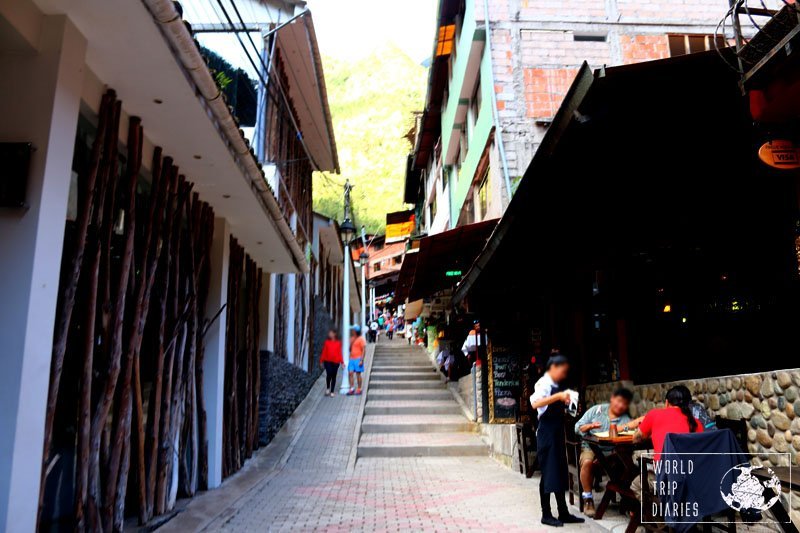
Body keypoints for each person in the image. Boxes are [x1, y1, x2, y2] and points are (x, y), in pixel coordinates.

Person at [530, 355, 585, 527]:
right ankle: (546, 513)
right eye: (562, 370)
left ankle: (563, 512)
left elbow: (560, 404)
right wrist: (559, 397)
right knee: (548, 471)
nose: (564, 374)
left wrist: (569, 404)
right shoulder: (543, 383)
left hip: (558, 431)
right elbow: (535, 403)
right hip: (546, 431)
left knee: (559, 470)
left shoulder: (558, 386)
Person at [573, 387, 642, 516]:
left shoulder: (625, 418)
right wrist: (590, 426)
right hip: (590, 448)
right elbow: (577, 427)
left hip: (612, 451)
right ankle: (588, 498)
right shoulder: (596, 410)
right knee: (587, 462)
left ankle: (629, 503)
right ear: (612, 399)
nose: (620, 405)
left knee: (628, 466)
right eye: (619, 401)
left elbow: (628, 433)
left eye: (624, 404)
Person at [631, 385, 703, 499]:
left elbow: (636, 438)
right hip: (691, 477)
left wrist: (653, 434)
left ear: (666, 402)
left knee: (635, 485)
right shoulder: (696, 423)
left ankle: (661, 509)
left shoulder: (654, 415)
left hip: (665, 478)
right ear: (689, 404)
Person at [318, 329, 342, 397]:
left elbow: (339, 353)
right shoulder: (327, 342)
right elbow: (324, 352)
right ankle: (328, 388)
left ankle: (332, 391)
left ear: (334, 334)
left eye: (331, 333)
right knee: (329, 374)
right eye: (329, 333)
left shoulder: (338, 343)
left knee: (334, 376)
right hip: (327, 361)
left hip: (336, 362)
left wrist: (342, 362)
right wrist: (321, 361)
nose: (330, 334)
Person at [347, 326, 367, 395]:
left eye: (353, 330)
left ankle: (359, 388)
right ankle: (351, 388)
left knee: (358, 374)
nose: (352, 331)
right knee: (350, 373)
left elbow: (364, 350)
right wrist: (351, 343)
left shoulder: (361, 339)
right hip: (351, 359)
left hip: (358, 359)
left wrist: (362, 360)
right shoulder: (352, 338)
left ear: (355, 331)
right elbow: (350, 349)